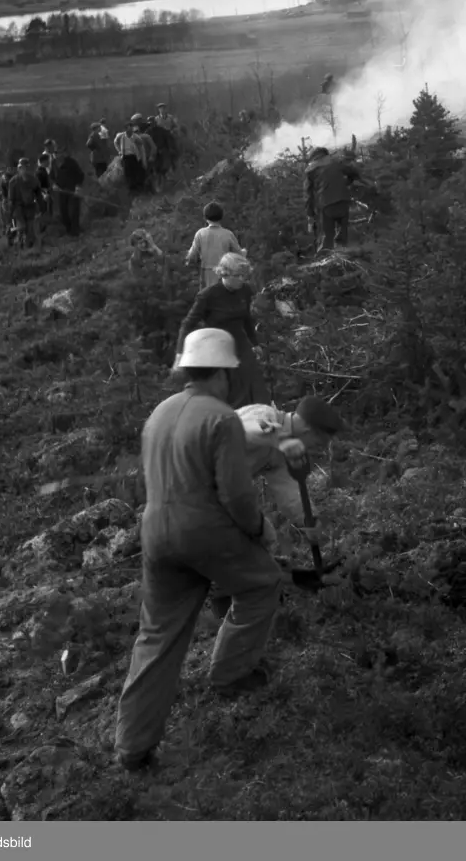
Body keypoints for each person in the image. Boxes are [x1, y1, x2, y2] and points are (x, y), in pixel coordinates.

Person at [113, 328, 285, 772]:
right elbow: (236, 494)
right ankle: (230, 675)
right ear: (224, 373)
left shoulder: (158, 413)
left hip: (154, 532)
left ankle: (133, 748)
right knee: (263, 583)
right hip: (202, 528)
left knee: (157, 633)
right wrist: (260, 530)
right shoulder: (222, 418)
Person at [235, 396, 348, 549]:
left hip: (219, 493)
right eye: (317, 443)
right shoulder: (263, 414)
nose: (313, 449)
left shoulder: (281, 455)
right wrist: (281, 439)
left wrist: (309, 519)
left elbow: (289, 488)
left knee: (265, 537)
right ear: (308, 431)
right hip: (197, 476)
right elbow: (247, 428)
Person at [175, 252, 268, 408]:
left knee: (252, 379)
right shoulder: (208, 295)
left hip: (240, 342)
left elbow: (246, 318)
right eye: (238, 276)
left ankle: (259, 416)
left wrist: (254, 343)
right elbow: (187, 324)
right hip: (217, 346)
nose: (242, 280)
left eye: (244, 276)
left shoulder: (244, 290)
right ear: (225, 273)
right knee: (229, 386)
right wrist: (179, 355)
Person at [305, 147, 362, 252]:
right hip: (343, 201)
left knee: (326, 237)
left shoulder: (311, 171)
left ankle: (325, 259)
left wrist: (310, 216)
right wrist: (347, 183)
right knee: (342, 234)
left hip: (326, 205)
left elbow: (309, 196)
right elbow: (354, 172)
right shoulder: (336, 163)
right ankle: (343, 257)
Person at [185, 202, 243, 291]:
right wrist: (244, 252)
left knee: (207, 299)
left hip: (206, 274)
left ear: (205, 217)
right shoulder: (228, 234)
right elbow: (239, 255)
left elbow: (192, 256)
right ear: (221, 216)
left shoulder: (200, 233)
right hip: (224, 275)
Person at [51, 144, 86, 237]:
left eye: (58, 153)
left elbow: (80, 175)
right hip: (61, 191)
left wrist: (78, 186)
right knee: (63, 211)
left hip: (73, 190)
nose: (57, 155)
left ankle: (75, 231)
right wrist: (54, 185)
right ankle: (68, 229)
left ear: (63, 153)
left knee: (74, 210)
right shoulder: (54, 163)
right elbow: (51, 177)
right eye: (55, 153)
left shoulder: (71, 162)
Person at [8, 158, 42, 250]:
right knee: (21, 227)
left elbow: (38, 193)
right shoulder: (13, 181)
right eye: (22, 168)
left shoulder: (33, 180)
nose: (24, 170)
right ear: (19, 169)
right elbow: (11, 198)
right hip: (18, 207)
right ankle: (20, 244)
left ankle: (28, 246)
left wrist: (40, 207)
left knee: (30, 228)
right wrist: (10, 212)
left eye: (26, 168)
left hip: (30, 206)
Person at [115, 119, 146, 194]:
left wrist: (141, 153)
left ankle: (137, 188)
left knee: (136, 172)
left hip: (134, 156)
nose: (131, 129)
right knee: (128, 173)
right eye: (129, 127)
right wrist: (119, 151)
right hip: (126, 157)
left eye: (132, 127)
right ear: (126, 128)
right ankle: (131, 189)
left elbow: (141, 143)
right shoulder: (121, 136)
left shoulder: (135, 136)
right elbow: (115, 142)